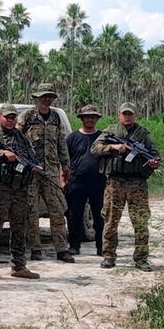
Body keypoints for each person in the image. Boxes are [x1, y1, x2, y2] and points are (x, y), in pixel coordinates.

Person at [90, 102, 160, 272]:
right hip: (115, 182)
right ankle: (108, 256)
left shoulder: (144, 134)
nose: (127, 117)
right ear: (119, 115)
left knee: (140, 221)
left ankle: (142, 258)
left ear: (135, 115)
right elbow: (95, 148)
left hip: (137, 182)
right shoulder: (110, 131)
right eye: (124, 114)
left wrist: (153, 163)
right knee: (111, 220)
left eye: (130, 114)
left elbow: (156, 155)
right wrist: (114, 147)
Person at [0, 103, 40, 281]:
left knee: (20, 228)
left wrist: (34, 166)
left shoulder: (21, 137)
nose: (11, 120)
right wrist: (1, 154)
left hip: (19, 190)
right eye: (7, 117)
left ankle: (19, 266)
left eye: (13, 117)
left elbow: (30, 157)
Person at [17, 83, 73, 263]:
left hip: (51, 173)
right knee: (31, 212)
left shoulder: (56, 117)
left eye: (49, 97)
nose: (46, 99)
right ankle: (35, 249)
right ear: (37, 98)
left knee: (57, 210)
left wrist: (65, 166)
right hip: (31, 172)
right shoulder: (27, 117)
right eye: (43, 97)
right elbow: (16, 140)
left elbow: (61, 144)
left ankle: (61, 249)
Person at [65, 104, 106, 256]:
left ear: (97, 119)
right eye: (87, 117)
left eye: (93, 117)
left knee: (99, 215)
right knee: (74, 215)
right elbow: (64, 160)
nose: (90, 120)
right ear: (82, 119)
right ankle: (74, 245)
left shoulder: (103, 138)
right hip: (76, 181)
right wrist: (63, 179)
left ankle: (101, 247)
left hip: (98, 181)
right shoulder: (72, 138)